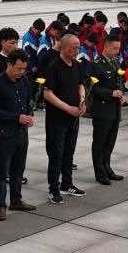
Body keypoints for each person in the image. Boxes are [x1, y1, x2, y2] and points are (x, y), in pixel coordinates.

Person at [0, 49, 36, 220]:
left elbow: (27, 101)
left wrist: (30, 114)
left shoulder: (24, 80)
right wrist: (17, 118)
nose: (21, 72)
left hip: (21, 133)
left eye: (24, 69)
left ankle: (16, 199)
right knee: (2, 172)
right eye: (18, 69)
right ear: (9, 65)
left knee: (18, 169)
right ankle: (0, 205)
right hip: (5, 134)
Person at [42, 34, 86, 204]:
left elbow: (80, 85)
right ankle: (53, 188)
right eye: (74, 47)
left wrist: (82, 101)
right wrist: (68, 108)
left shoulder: (76, 65)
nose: (77, 50)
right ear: (64, 47)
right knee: (56, 154)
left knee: (69, 152)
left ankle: (67, 184)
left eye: (78, 47)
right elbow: (47, 93)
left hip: (73, 118)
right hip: (57, 119)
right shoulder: (53, 67)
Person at [89, 28, 126, 184]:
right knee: (100, 142)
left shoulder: (115, 62)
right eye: (114, 48)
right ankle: (99, 172)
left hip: (115, 109)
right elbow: (93, 88)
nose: (117, 52)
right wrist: (111, 93)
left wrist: (121, 93)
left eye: (118, 49)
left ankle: (107, 167)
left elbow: (118, 82)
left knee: (110, 141)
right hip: (102, 109)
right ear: (106, 46)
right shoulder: (96, 65)